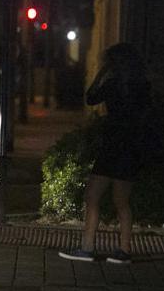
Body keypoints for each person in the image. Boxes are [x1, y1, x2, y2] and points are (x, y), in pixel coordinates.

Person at [59, 43, 151, 264]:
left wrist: (100, 74)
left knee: (92, 197)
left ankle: (87, 248)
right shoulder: (142, 86)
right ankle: (124, 251)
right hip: (130, 147)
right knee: (122, 202)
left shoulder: (112, 84)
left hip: (111, 146)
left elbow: (90, 97)